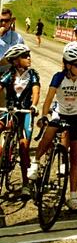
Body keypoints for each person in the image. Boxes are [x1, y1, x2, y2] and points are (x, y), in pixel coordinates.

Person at [28, 44, 77, 212]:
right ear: (68, 65)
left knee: (75, 158)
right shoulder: (58, 77)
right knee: (49, 133)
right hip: (60, 113)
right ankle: (36, 162)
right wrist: (44, 116)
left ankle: (73, 197)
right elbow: (49, 99)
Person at [0, 44, 40, 197]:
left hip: (25, 112)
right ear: (15, 61)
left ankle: (26, 184)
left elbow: (36, 90)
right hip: (9, 111)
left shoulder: (33, 74)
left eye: (28, 55)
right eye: (24, 56)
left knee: (24, 148)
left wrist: (34, 105)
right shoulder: (9, 74)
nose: (29, 58)